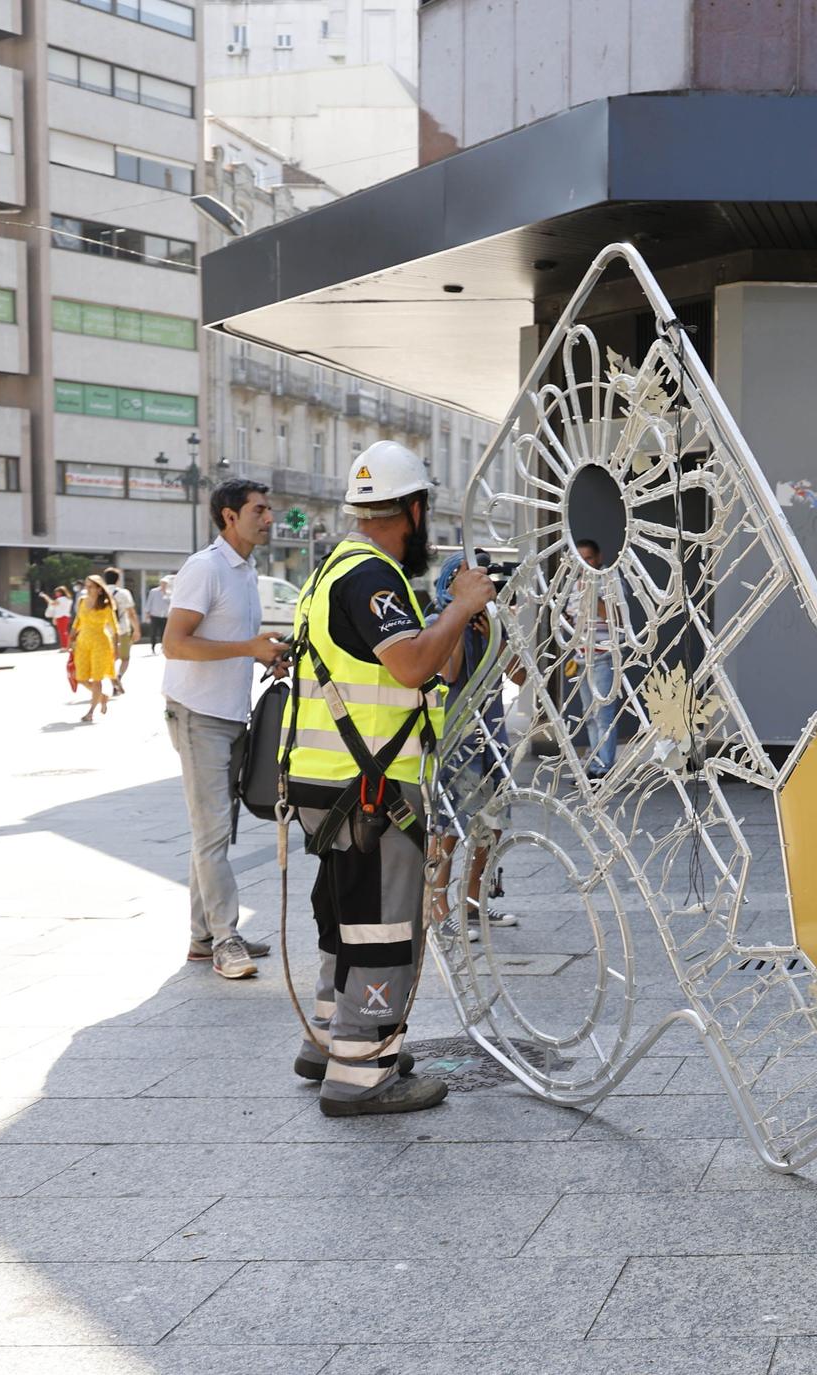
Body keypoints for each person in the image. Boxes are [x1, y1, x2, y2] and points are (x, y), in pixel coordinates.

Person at [283, 439, 493, 1116]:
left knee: (344, 914)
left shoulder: (335, 568)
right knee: (381, 927)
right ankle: (362, 1074)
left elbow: (439, 668)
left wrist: (454, 617)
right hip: (368, 784)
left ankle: (331, 1041)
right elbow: (409, 666)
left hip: (332, 780)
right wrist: (459, 607)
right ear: (412, 507)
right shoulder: (370, 576)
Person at [162, 480, 287, 979]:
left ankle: (201, 936)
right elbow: (175, 643)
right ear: (229, 516)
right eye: (260, 509)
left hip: (233, 714)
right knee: (212, 830)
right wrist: (247, 649)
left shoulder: (245, 571)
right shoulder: (205, 568)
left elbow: (236, 641)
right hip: (197, 714)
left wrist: (266, 654)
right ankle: (226, 938)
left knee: (215, 830)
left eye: (269, 508)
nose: (270, 517)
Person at [426, 551, 518, 946]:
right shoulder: (437, 622)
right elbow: (447, 673)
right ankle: (437, 904)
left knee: (490, 825)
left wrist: (491, 637)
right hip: (456, 736)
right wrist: (459, 618)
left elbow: (520, 675)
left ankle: (472, 900)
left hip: (493, 733)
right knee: (450, 824)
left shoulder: (493, 624)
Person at [570, 538, 619, 778]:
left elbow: (615, 615)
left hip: (603, 656)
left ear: (598, 558)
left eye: (588, 558)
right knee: (590, 716)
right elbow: (571, 619)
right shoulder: (574, 584)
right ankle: (596, 764)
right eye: (580, 559)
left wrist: (590, 593)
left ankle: (605, 769)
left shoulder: (608, 579)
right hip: (582, 659)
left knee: (604, 715)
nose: (584, 564)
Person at [71, 576, 116, 722]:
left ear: (99, 589)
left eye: (91, 586)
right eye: (86, 586)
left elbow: (114, 627)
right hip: (82, 642)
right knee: (81, 678)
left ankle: (90, 712)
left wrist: (116, 647)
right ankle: (102, 697)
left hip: (100, 643)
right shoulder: (82, 601)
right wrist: (71, 635)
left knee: (97, 679)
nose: (87, 589)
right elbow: (78, 620)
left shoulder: (106, 605)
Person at [101, 567, 138, 694]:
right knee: (125, 658)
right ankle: (119, 676)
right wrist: (137, 629)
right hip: (122, 629)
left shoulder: (100, 593)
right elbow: (131, 613)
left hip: (105, 631)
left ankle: (113, 680)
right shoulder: (123, 593)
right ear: (117, 580)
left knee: (111, 658)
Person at [144, 577, 172, 655]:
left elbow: (171, 604)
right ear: (160, 583)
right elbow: (149, 602)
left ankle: (163, 647)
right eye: (163, 583)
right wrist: (147, 613)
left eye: (165, 584)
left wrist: (166, 594)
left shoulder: (169, 593)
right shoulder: (154, 591)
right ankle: (153, 647)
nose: (164, 585)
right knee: (153, 632)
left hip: (165, 616)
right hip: (155, 615)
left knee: (164, 633)